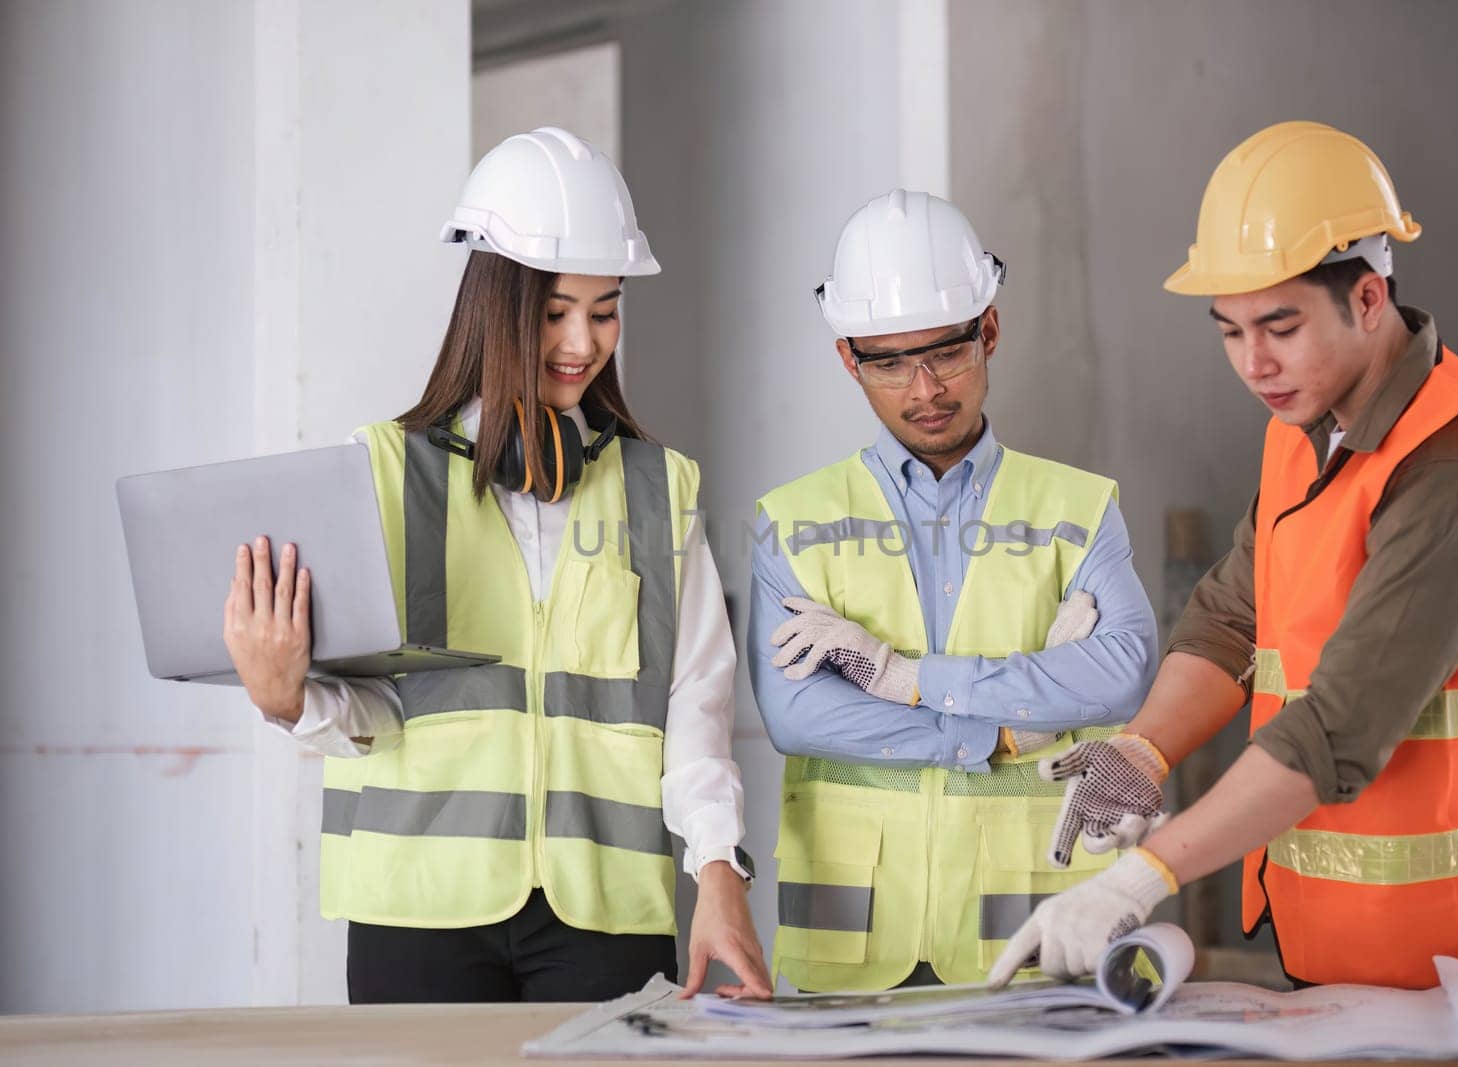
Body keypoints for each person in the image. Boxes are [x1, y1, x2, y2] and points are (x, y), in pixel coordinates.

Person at [990, 121, 1458, 993]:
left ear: (1369, 299)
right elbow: (1232, 617)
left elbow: (1340, 724)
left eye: (1280, 326)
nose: (1253, 363)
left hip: (1451, 966)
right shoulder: (1303, 429)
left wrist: (1143, 876)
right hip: (1328, 948)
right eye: (1229, 331)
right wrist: (1143, 749)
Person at [221, 127, 771, 1004]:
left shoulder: (658, 490)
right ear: (497, 304)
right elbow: (374, 707)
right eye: (556, 311)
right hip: (419, 907)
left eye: (605, 308)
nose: (584, 341)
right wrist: (284, 697)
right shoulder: (386, 477)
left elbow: (693, 707)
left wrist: (720, 873)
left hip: (603, 913)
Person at [750, 189, 1159, 992]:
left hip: (1037, 942)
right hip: (856, 951)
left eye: (945, 352)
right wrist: (1004, 734)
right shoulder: (793, 519)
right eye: (889, 361)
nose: (924, 387)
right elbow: (796, 714)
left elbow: (1125, 668)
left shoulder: (1077, 507)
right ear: (848, 360)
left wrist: (904, 679)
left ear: (990, 331)